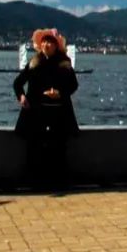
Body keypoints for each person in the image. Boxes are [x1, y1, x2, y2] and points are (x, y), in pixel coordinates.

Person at [14, 28, 79, 190]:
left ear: (56, 45)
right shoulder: (34, 62)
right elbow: (17, 83)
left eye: (50, 42)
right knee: (34, 146)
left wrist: (60, 93)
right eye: (44, 41)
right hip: (36, 113)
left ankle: (58, 181)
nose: (46, 45)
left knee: (58, 147)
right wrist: (21, 96)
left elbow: (73, 85)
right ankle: (33, 181)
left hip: (59, 113)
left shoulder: (64, 63)